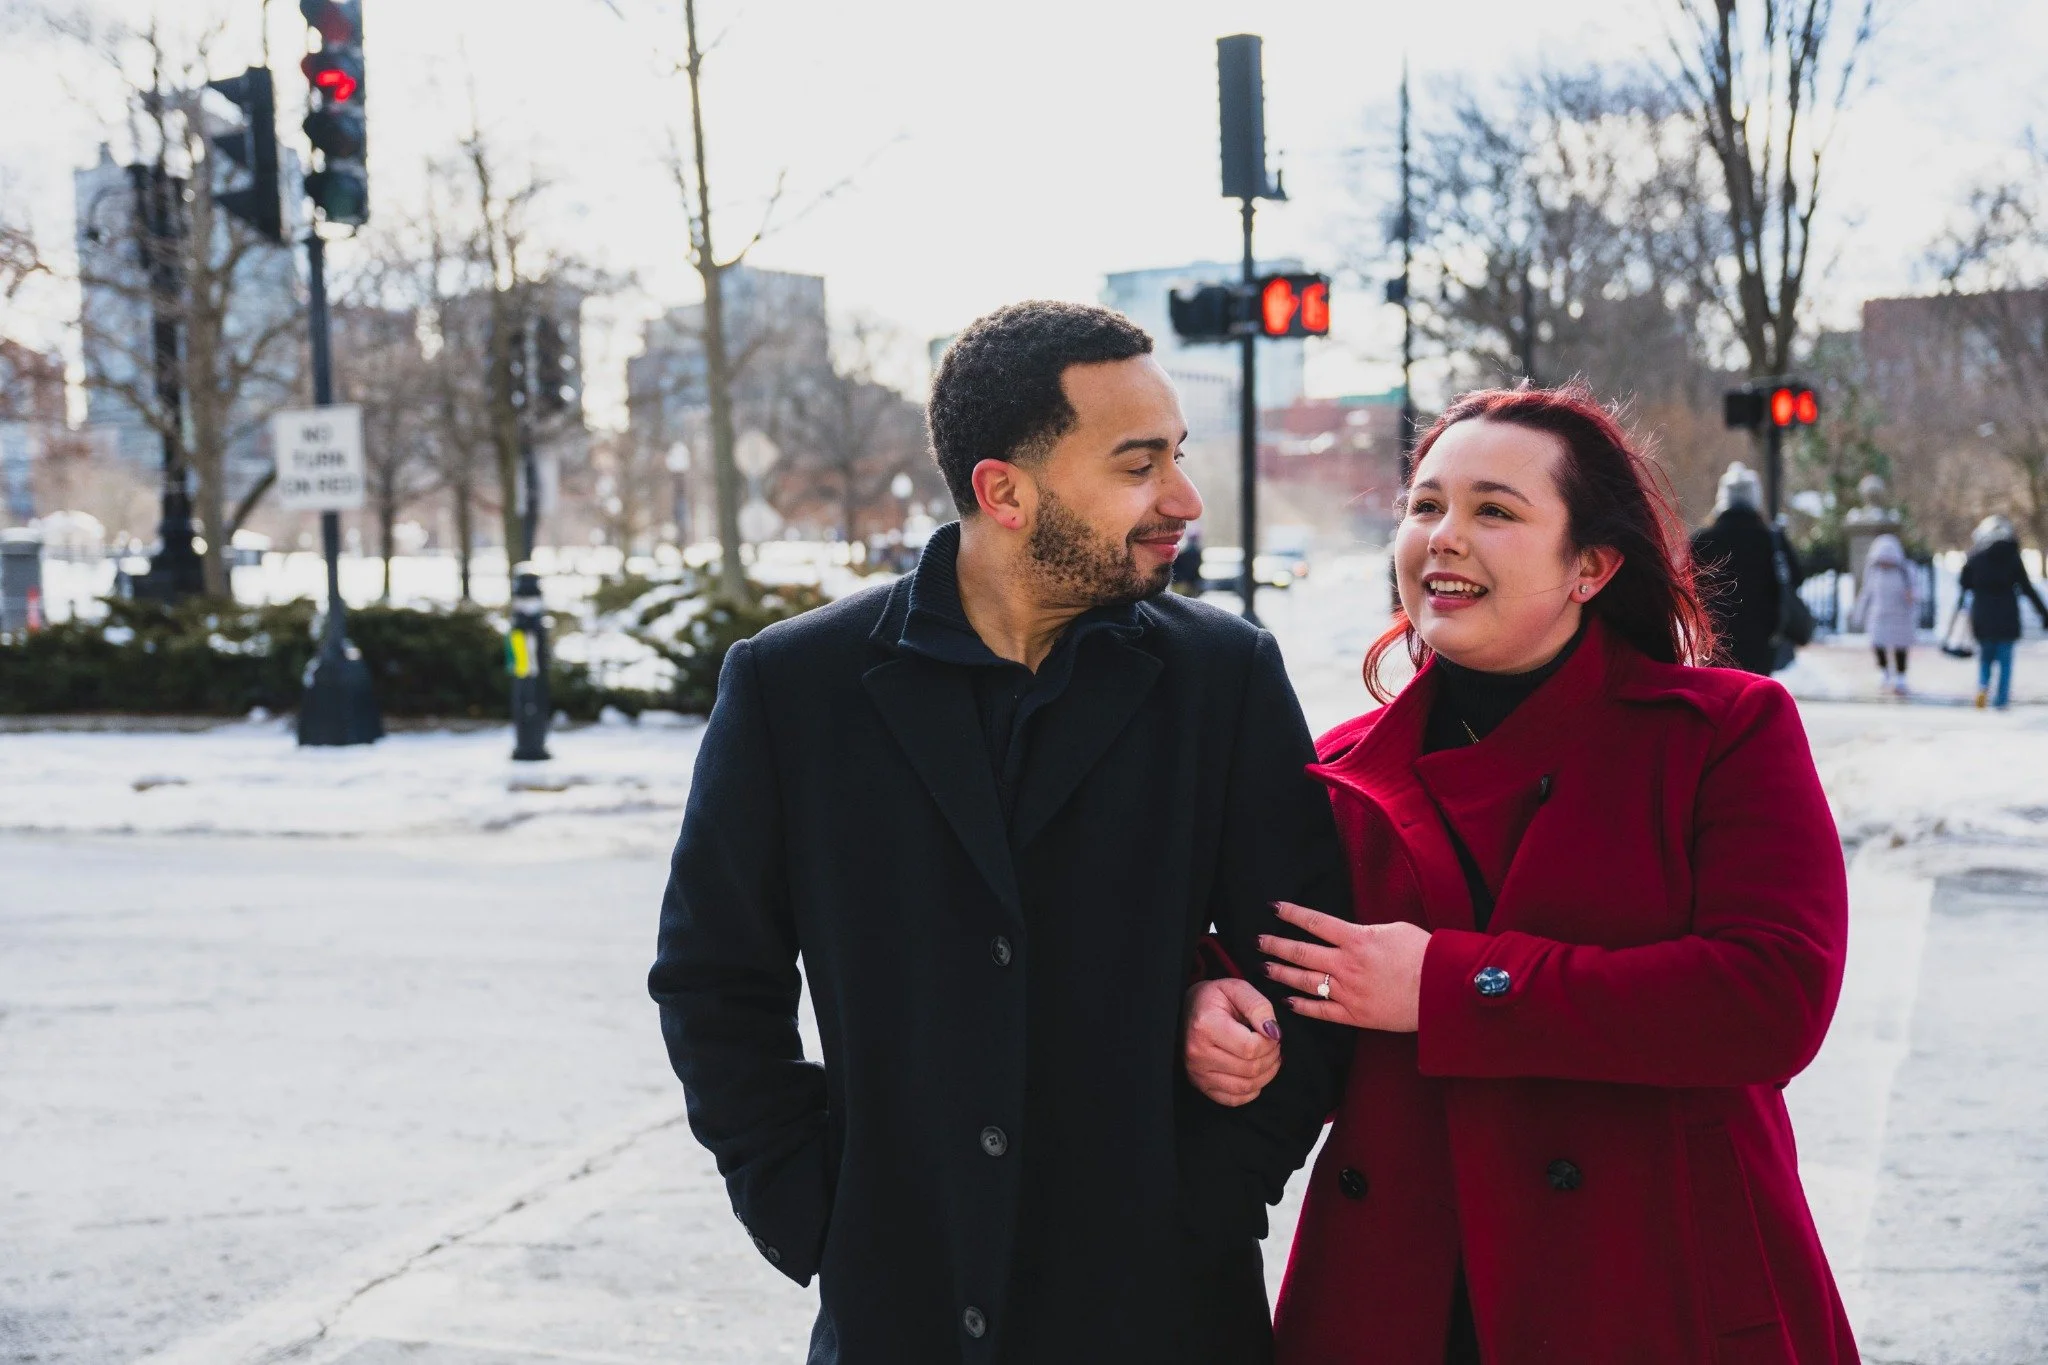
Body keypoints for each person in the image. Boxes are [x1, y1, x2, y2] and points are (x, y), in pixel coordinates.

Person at [649, 301, 1352, 1364]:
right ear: (1004, 491)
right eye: (1136, 465)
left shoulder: (1224, 677)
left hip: (1165, 1317)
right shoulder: (793, 688)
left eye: (1177, 456)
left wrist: (1215, 1198)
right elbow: (713, 980)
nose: (1182, 499)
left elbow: (1309, 965)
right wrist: (808, 1211)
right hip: (903, 1315)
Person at [1182, 384, 1856, 1363]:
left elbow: (1769, 1001)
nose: (1442, 537)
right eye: (1424, 506)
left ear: (1589, 565)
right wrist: (1211, 1003)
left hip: (1655, 1294)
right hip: (1401, 1306)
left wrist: (1451, 988)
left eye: (1492, 510)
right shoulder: (1337, 776)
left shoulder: (1720, 732)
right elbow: (1276, 978)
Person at [1691, 461, 1785, 674]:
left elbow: (1687, 584)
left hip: (1717, 639)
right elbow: (1792, 579)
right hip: (1761, 637)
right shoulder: (1771, 540)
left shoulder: (1702, 540)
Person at [1959, 514, 2047, 710]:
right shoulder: (2012, 557)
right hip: (2007, 615)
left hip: (1982, 614)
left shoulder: (1976, 557)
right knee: (2005, 662)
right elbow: (2027, 587)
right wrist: (2043, 612)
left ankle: (1982, 687)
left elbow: (1964, 583)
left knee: (1985, 659)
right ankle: (2001, 699)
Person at [1853, 532, 1920, 696]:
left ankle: (1901, 678)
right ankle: (1884, 673)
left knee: (1900, 648)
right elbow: (1867, 594)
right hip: (1879, 616)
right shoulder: (1874, 572)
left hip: (1900, 616)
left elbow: (1917, 591)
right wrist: (1858, 613)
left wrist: (1912, 598)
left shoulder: (1906, 571)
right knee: (1878, 644)